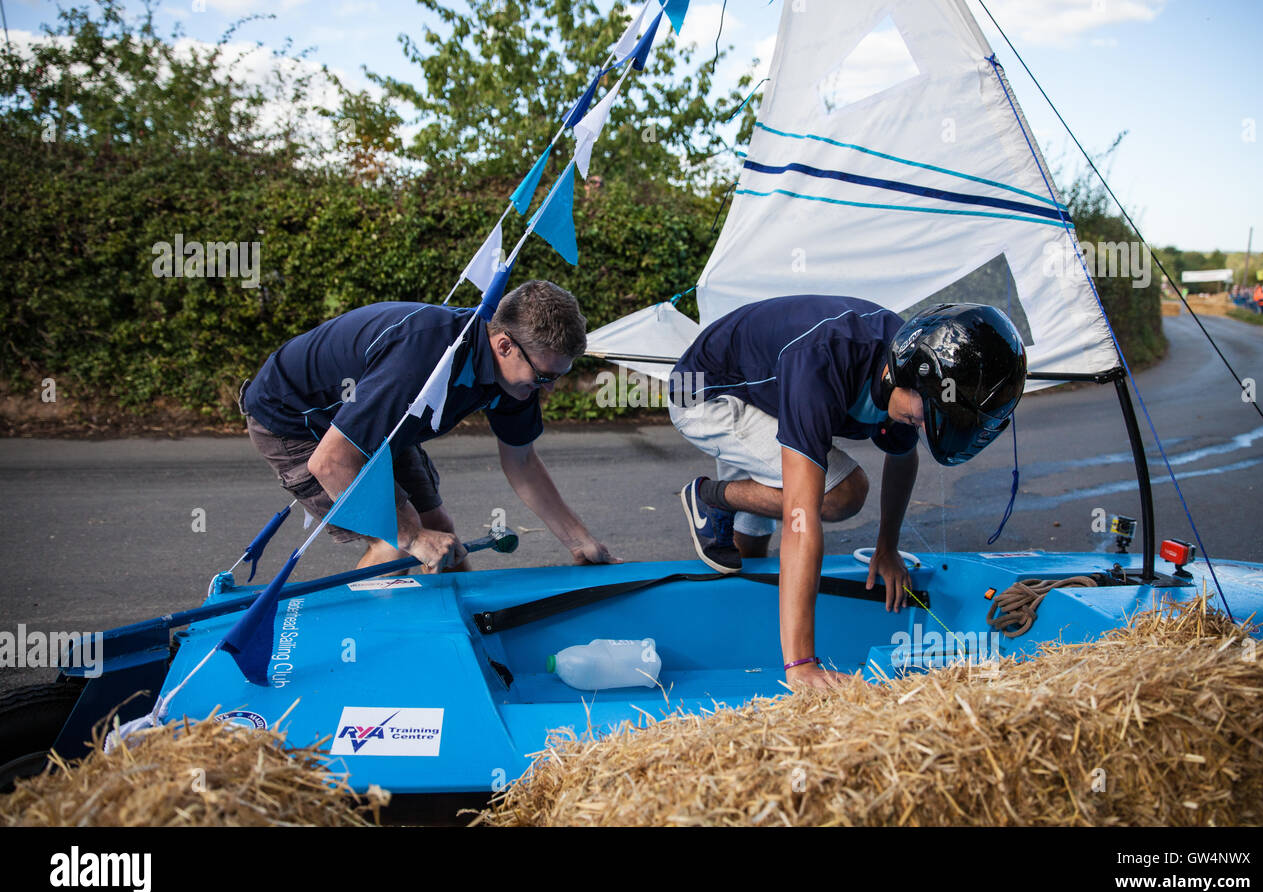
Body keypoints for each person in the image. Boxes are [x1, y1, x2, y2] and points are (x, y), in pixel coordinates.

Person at [668, 297, 1026, 689]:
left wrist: (886, 548)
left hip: (763, 384)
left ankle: (737, 633)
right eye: (927, 416)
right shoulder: (822, 363)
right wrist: (803, 665)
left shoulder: (910, 369)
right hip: (707, 395)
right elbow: (800, 518)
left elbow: (903, 458)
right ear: (908, 380)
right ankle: (711, 497)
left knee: (748, 554)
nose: (925, 428)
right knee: (843, 493)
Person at [240, 280, 616, 573]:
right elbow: (330, 462)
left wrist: (578, 539)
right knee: (399, 545)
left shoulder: (518, 377)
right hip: (297, 421)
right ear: (504, 346)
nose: (547, 388)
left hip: (375, 419)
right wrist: (411, 536)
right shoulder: (425, 358)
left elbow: (522, 463)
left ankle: (473, 635)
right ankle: (351, 652)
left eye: (557, 377)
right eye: (544, 375)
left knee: (439, 530)